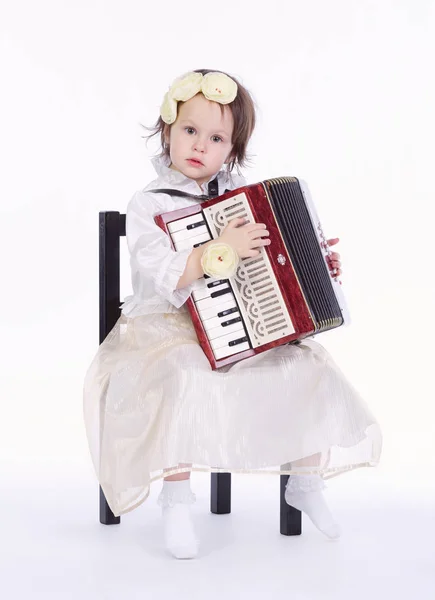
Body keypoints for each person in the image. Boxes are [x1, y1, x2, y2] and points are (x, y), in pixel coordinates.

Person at [83, 69, 382, 560]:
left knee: (307, 364)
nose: (200, 145)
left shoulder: (241, 197)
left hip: (240, 321)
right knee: (181, 374)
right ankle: (176, 500)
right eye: (190, 130)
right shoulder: (147, 204)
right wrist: (218, 248)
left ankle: (305, 482)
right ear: (168, 131)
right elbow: (164, 273)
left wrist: (312, 264)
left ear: (232, 149)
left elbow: (269, 260)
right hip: (165, 326)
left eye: (216, 137)